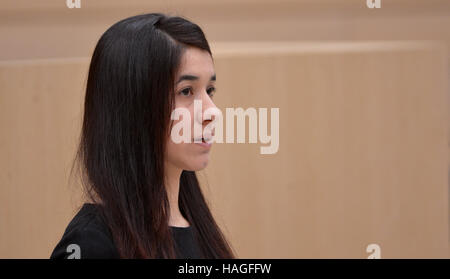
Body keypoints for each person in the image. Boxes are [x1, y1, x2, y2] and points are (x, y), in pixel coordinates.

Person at [50, 13, 235, 259]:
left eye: (209, 90)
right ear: (135, 108)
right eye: (187, 91)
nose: (212, 111)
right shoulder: (91, 243)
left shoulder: (199, 231)